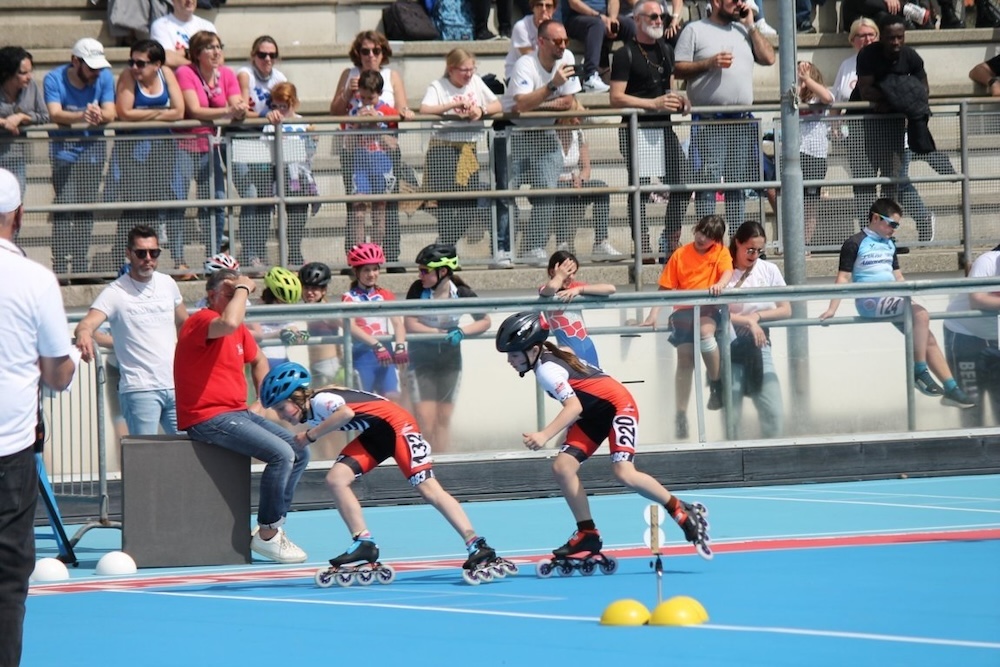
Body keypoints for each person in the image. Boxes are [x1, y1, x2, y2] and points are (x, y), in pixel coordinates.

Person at [495, 311, 712, 563]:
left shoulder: (547, 369)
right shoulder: (551, 355)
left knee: (624, 472)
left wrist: (544, 434)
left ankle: (680, 510)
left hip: (618, 407)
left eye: (513, 355)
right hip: (594, 414)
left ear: (533, 350)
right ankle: (587, 533)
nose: (509, 361)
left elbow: (573, 407)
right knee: (563, 468)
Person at [259, 361, 509, 578]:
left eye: (281, 408)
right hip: (377, 432)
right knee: (336, 479)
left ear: (297, 397)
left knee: (429, 489)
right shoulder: (310, 409)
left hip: (398, 426)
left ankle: (476, 543)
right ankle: (363, 541)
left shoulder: (320, 400)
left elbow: (346, 413)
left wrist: (310, 436)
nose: (281, 416)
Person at [174, 268, 310, 563]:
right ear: (212, 295)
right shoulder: (201, 320)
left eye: (239, 293)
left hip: (237, 413)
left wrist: (262, 402)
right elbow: (229, 321)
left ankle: (274, 525)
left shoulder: (237, 329)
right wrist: (244, 287)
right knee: (281, 454)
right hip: (207, 417)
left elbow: (259, 359)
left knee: (299, 450)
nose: (238, 297)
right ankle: (268, 534)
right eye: (230, 292)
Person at [0, 167, 76, 667]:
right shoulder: (34, 278)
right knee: (8, 578)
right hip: (9, 449)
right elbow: (56, 373)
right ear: (19, 215)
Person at [818, 198, 975, 409]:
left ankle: (951, 389)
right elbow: (843, 278)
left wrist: (911, 298)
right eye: (892, 224)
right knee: (921, 315)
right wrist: (832, 309)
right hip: (870, 302)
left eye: (897, 225)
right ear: (875, 218)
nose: (894, 229)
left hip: (893, 299)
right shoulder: (854, 242)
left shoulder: (890, 244)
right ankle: (919, 371)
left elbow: (898, 277)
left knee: (927, 337)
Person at [74, 224, 188, 436]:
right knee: (144, 453)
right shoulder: (115, 292)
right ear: (129, 253)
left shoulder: (168, 283)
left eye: (154, 252)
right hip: (139, 389)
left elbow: (184, 323)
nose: (148, 258)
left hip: (175, 385)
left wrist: (186, 355)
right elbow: (86, 324)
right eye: (141, 253)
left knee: (186, 450)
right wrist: (83, 334)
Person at [674, 0, 775, 237]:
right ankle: (707, 240)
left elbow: (769, 58)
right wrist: (709, 63)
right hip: (710, 121)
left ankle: (736, 241)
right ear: (716, 2)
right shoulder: (694, 29)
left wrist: (751, 26)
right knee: (708, 184)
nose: (739, 3)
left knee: (737, 185)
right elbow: (677, 69)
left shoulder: (744, 30)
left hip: (741, 121)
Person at [609, 0, 691, 261]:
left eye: (661, 17)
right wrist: (652, 104)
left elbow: (669, 88)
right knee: (639, 189)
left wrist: (680, 101)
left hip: (664, 128)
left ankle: (670, 237)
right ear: (637, 19)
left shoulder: (666, 50)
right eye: (653, 16)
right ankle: (642, 243)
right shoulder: (625, 54)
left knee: (683, 181)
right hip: (636, 130)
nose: (659, 21)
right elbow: (616, 98)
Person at [329, 31, 415, 272]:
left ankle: (386, 256)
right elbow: (336, 111)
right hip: (356, 155)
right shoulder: (349, 75)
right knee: (356, 207)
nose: (370, 55)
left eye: (376, 51)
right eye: (365, 51)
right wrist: (350, 95)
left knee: (384, 208)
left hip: (383, 154)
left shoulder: (391, 76)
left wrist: (386, 118)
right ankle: (356, 258)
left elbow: (401, 110)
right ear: (357, 53)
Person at [641, 215, 733, 439]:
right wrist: (653, 314)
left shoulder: (720, 252)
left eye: (709, 236)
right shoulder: (680, 254)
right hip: (683, 310)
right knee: (684, 360)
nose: (702, 238)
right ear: (695, 230)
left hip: (707, 308)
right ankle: (680, 415)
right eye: (701, 232)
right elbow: (665, 288)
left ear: (716, 240)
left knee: (705, 333)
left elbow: (727, 272)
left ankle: (716, 383)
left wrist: (720, 284)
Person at [503, 19, 582, 264]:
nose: (563, 46)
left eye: (566, 40)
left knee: (547, 192)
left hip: (546, 133)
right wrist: (551, 87)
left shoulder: (567, 58)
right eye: (557, 41)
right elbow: (521, 103)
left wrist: (536, 104)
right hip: (515, 134)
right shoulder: (525, 64)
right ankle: (504, 249)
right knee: (506, 193)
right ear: (541, 42)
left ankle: (533, 246)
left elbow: (567, 102)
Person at [170, 31, 246, 271]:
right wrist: (228, 110)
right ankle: (178, 261)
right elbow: (194, 109)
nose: (216, 52)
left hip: (209, 145)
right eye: (210, 48)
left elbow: (237, 103)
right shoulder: (185, 72)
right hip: (182, 145)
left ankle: (214, 258)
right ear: (197, 53)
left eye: (218, 47)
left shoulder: (227, 74)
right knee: (178, 202)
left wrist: (239, 109)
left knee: (216, 202)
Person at [404, 243, 491, 452]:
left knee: (443, 418)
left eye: (425, 271)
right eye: (420, 271)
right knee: (425, 418)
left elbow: (485, 321)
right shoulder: (417, 289)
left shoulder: (461, 291)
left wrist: (462, 332)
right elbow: (410, 323)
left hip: (450, 359)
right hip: (421, 358)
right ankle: (424, 460)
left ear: (442, 272)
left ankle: (443, 461)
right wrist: (439, 333)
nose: (420, 275)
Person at [43, 38, 116, 276]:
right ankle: (61, 266)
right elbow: (55, 113)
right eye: (91, 67)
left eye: (98, 67)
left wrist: (99, 115)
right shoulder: (53, 78)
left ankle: (81, 265)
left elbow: (111, 111)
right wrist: (83, 115)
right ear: (75, 61)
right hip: (64, 154)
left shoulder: (104, 77)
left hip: (93, 154)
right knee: (65, 209)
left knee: (86, 210)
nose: (96, 72)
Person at [419, 48, 501, 250]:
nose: (469, 74)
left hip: (468, 149)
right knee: (447, 205)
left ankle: (444, 245)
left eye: (472, 69)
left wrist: (480, 110)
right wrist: (450, 107)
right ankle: (446, 250)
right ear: (451, 69)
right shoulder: (438, 86)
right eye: (464, 70)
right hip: (444, 148)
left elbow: (497, 104)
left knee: (470, 204)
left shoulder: (476, 82)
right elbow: (425, 109)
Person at [111, 39, 184, 268]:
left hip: (162, 151)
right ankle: (122, 256)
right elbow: (124, 112)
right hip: (133, 152)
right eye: (132, 61)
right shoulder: (128, 76)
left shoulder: (167, 74)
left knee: (155, 205)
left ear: (157, 64)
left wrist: (143, 113)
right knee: (134, 206)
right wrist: (160, 113)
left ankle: (146, 256)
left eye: (141, 63)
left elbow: (179, 111)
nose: (134, 67)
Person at [725, 220, 789, 438]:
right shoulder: (723, 269)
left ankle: (772, 452)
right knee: (732, 415)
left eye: (759, 251)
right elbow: (715, 311)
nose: (754, 255)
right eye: (750, 249)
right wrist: (748, 322)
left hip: (759, 345)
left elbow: (785, 309)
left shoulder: (769, 270)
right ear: (738, 243)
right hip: (730, 345)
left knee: (774, 412)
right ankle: (731, 451)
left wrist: (757, 317)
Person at [855, 15, 926, 212]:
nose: (896, 42)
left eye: (899, 37)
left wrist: (892, 101)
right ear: (882, 37)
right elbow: (866, 91)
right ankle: (867, 228)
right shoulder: (867, 55)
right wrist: (897, 97)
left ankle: (886, 227)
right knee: (864, 182)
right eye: (890, 37)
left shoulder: (911, 56)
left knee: (892, 180)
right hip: (862, 124)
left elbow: (923, 90)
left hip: (893, 125)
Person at [234, 35, 289, 269]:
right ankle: (249, 253)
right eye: (262, 54)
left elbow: (287, 108)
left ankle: (259, 251)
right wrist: (264, 115)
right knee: (250, 194)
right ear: (253, 56)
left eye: (272, 55)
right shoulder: (245, 73)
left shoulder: (279, 78)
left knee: (266, 198)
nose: (267, 59)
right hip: (241, 138)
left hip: (265, 142)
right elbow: (243, 109)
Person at [250, 81, 318, 267]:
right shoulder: (270, 125)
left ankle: (294, 253)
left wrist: (313, 140)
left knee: (297, 215)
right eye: (275, 106)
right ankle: (261, 253)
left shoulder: (303, 123)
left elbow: (310, 152)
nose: (279, 111)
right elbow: (264, 150)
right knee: (266, 214)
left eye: (284, 106)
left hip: (298, 176)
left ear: (293, 103)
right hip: (275, 174)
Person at [553, 100, 623, 258]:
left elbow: (586, 168)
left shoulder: (578, 134)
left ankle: (600, 242)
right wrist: (565, 181)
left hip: (574, 182)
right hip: (554, 183)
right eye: (575, 117)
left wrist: (581, 180)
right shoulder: (550, 134)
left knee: (601, 187)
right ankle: (562, 244)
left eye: (581, 118)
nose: (579, 122)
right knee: (563, 190)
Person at [341, 70, 398, 254]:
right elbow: (348, 146)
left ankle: (376, 251)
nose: (366, 102)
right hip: (360, 167)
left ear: (379, 93)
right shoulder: (354, 111)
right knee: (358, 212)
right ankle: (359, 252)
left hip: (381, 166)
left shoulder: (387, 112)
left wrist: (376, 125)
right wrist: (356, 124)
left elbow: (393, 145)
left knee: (379, 213)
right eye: (363, 97)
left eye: (370, 98)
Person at [342, 243, 408, 400]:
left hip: (386, 355)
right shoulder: (349, 297)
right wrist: (376, 345)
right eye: (366, 270)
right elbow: (351, 326)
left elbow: (398, 324)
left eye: (375, 269)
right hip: (362, 357)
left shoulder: (385, 294)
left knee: (393, 399)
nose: (372, 274)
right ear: (356, 272)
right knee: (365, 403)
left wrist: (400, 346)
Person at [831, 17, 880, 228]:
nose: (867, 39)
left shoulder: (886, 60)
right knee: (862, 187)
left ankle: (887, 231)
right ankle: (866, 231)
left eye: (871, 34)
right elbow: (836, 100)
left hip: (884, 131)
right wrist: (834, 124)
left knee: (893, 185)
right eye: (861, 35)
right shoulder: (847, 65)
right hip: (856, 136)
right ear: (852, 40)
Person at [943, 246, 1000, 427]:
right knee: (971, 403)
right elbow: (977, 299)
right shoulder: (988, 261)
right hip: (965, 335)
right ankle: (971, 441)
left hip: (996, 338)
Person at [539, 249, 616, 367]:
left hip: (587, 347)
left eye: (574, 273)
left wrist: (579, 290)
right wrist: (559, 276)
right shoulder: (546, 290)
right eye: (567, 272)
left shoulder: (574, 288)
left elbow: (611, 289)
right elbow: (551, 288)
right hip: (568, 352)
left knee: (596, 376)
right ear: (552, 271)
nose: (571, 277)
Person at [0, 46, 48, 197]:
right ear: (7, 73)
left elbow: (44, 115)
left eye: (30, 71)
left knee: (16, 201)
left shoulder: (31, 87)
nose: (29, 77)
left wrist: (22, 117)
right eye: (22, 73)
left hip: (16, 156)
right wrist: (3, 123)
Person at [794, 61, 833, 247]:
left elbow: (828, 98)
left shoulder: (818, 95)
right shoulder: (794, 95)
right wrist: (798, 85)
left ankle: (806, 244)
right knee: (794, 202)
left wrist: (807, 80)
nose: (800, 77)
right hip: (795, 155)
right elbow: (788, 100)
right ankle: (793, 242)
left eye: (804, 72)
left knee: (810, 204)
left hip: (815, 155)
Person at [561, 0, 637, 93]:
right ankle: (590, 77)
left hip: (603, 18)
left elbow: (613, 1)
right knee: (597, 24)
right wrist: (598, 16)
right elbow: (574, 3)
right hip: (577, 17)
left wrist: (612, 19)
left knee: (629, 25)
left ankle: (636, 73)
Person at [299, 261, 343, 388]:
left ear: (324, 290)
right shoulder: (307, 309)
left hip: (327, 367)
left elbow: (349, 326)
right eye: (306, 288)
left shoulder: (326, 310)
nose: (309, 292)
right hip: (314, 367)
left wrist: (374, 344)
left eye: (314, 288)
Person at [150, 0, 217, 68]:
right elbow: (167, 58)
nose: (189, 1)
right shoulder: (160, 25)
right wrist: (198, 65)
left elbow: (218, 58)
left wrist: (181, 54)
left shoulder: (208, 26)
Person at [504, 0, 556, 83]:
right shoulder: (521, 26)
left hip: (545, 74)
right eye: (539, 5)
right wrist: (542, 31)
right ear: (533, 8)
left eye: (548, 6)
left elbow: (558, 54)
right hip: (518, 73)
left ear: (554, 9)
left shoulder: (556, 29)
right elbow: (531, 59)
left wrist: (547, 29)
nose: (544, 9)